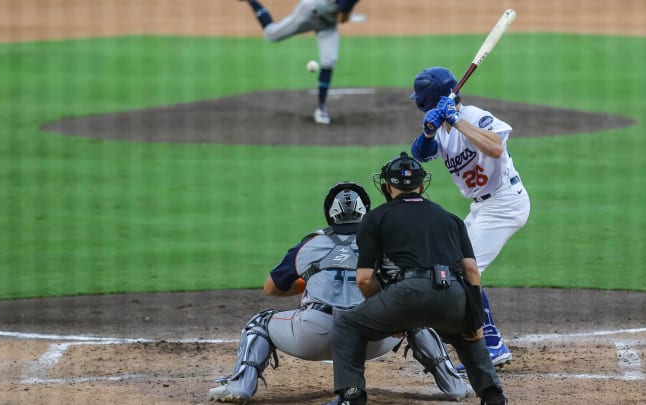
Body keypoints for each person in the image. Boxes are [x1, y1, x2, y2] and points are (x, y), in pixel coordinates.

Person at [208, 181, 471, 404]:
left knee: (260, 323)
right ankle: (454, 385)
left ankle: (240, 386)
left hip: (312, 336)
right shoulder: (387, 241)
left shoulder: (312, 243)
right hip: (373, 338)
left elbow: (271, 287)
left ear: (330, 214)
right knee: (415, 316)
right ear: (366, 212)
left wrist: (307, 282)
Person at [328, 152, 507, 405]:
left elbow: (364, 279)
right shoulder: (451, 219)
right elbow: (471, 273)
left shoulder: (375, 218)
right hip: (453, 294)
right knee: (468, 333)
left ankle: (351, 396)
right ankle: (493, 395)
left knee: (347, 325)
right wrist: (475, 320)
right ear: (421, 186)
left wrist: (388, 311)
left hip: (406, 295)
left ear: (388, 187)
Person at [409, 66, 531, 368]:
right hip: (481, 208)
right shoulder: (440, 126)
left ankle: (491, 345)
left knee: (464, 270)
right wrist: (427, 132)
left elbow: (494, 146)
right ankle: (477, 337)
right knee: (448, 263)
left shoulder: (475, 117)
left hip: (504, 204)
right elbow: (420, 155)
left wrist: (458, 121)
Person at [237, 0, 361, 125]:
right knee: (271, 34)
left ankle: (321, 109)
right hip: (308, 14)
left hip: (327, 24)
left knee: (329, 60)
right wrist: (347, 13)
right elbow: (342, 19)